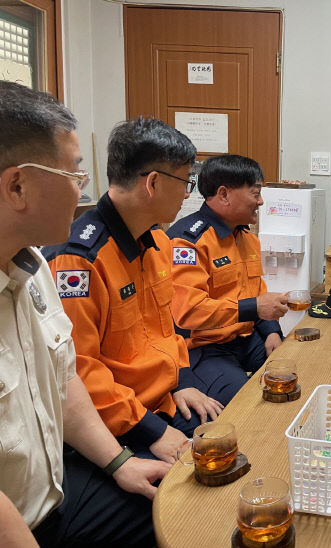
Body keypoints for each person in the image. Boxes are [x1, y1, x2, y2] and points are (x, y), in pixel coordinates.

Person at [0, 81, 169, 547]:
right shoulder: (75, 256)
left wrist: (120, 463)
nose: (84, 188)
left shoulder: (32, 269)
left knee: (185, 508)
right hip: (18, 528)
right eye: (75, 173)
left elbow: (65, 377)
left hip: (57, 498)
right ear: (17, 185)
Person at [43, 117, 223, 464]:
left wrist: (183, 380)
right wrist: (151, 431)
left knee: (235, 435)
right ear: (153, 183)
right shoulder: (79, 261)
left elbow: (166, 327)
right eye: (186, 182)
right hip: (119, 425)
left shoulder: (156, 240)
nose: (188, 194)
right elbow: (78, 371)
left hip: (164, 400)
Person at [167, 155, 287, 404]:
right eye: (255, 193)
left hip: (244, 339)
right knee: (247, 402)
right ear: (224, 195)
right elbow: (189, 312)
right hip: (203, 349)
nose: (261, 201)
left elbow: (257, 293)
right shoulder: (187, 242)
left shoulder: (247, 238)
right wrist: (255, 308)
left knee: (291, 372)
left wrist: (272, 331)